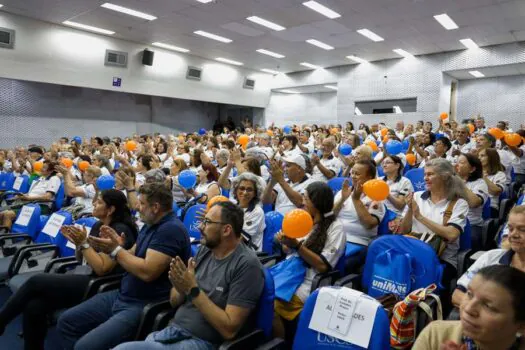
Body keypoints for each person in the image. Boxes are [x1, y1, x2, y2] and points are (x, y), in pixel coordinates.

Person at [57, 183, 191, 350]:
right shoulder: (150, 224)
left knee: (84, 346)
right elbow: (132, 252)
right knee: (67, 321)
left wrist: (115, 250)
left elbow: (147, 272)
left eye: (142, 203)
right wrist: (116, 246)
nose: (137, 207)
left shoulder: (170, 230)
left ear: (155, 207)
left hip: (142, 304)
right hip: (123, 294)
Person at [114, 201, 265, 350]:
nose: (200, 226)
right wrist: (181, 287)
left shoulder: (247, 265)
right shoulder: (205, 249)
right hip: (173, 331)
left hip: (204, 342)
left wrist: (192, 289)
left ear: (226, 230)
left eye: (207, 222)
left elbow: (229, 330)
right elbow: (174, 302)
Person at [0, 189, 137, 349]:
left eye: (99, 202)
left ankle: (1, 321)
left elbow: (102, 268)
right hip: (85, 274)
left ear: (111, 209)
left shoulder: (119, 231)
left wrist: (84, 243)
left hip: (100, 285)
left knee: (36, 281)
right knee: (34, 306)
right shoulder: (99, 224)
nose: (93, 203)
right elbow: (82, 260)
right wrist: (79, 244)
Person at [272, 182, 345, 344]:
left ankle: (280, 344)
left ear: (317, 202)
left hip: (308, 281)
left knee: (270, 304)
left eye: (306, 198)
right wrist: (285, 242)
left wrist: (296, 246)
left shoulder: (335, 228)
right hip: (289, 274)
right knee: (256, 292)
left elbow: (322, 266)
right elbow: (288, 251)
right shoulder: (305, 220)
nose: (302, 201)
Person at [399, 158, 469, 316]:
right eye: (425, 174)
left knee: (418, 283)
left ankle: (427, 318)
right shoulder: (416, 196)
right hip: (413, 254)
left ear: (444, 177)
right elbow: (403, 231)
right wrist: (410, 211)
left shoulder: (458, 203)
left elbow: (452, 234)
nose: (425, 178)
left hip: (442, 259)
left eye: (430, 174)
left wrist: (420, 217)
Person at [413, 265, 525, 350]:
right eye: (469, 294)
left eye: (488, 306)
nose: (468, 309)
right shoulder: (437, 334)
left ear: (521, 325)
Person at [452, 205, 525, 310]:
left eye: (522, 230)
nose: (513, 234)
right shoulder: (490, 258)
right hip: (480, 323)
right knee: (435, 326)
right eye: (510, 228)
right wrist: (488, 312)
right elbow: (458, 294)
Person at [334, 160, 385, 247]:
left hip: (357, 241)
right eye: (352, 173)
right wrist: (342, 199)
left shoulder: (376, 198)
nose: (353, 176)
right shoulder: (343, 192)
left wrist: (356, 199)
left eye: (357, 174)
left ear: (369, 178)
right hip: (335, 237)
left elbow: (369, 224)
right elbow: (331, 216)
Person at [0, 160, 61, 229]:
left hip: (40, 206)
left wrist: (28, 198)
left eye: (44, 168)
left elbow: (48, 197)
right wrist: (21, 195)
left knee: (8, 215)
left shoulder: (54, 179)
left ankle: (6, 238)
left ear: (51, 171)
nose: (41, 169)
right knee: (2, 214)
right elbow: (31, 193)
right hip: (29, 202)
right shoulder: (41, 178)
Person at [455, 153, 489, 251]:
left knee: (471, 238)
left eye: (461, 163)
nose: (457, 165)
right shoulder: (450, 182)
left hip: (471, 223)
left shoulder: (479, 183)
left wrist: (460, 182)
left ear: (472, 169)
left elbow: (474, 203)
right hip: (450, 220)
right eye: (457, 162)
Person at [231, 172, 266, 251]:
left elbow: (240, 239)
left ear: (255, 193)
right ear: (236, 190)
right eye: (242, 188)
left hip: (247, 254)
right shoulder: (232, 208)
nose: (245, 192)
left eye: (249, 189)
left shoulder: (257, 212)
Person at [479, 148, 507, 218]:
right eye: (478, 156)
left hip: (490, 207)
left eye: (482, 156)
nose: (479, 158)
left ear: (491, 158)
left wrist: (482, 176)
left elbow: (496, 191)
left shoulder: (499, 174)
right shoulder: (473, 173)